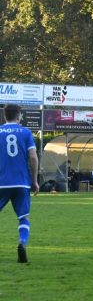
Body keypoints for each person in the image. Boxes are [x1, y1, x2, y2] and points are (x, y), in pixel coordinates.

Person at [0, 104, 39, 263]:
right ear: (19, 116)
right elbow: (33, 157)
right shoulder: (25, 132)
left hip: (1, 183)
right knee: (24, 217)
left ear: (4, 116)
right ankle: (22, 242)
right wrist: (34, 180)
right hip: (21, 183)